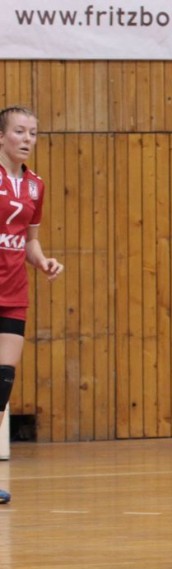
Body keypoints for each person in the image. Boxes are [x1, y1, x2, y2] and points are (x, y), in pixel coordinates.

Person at [0, 106, 64, 505]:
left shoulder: (35, 185)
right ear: (1, 136)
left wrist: (42, 261)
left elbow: (29, 239)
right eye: (19, 131)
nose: (27, 139)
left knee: (2, 384)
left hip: (13, 293)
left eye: (33, 133)